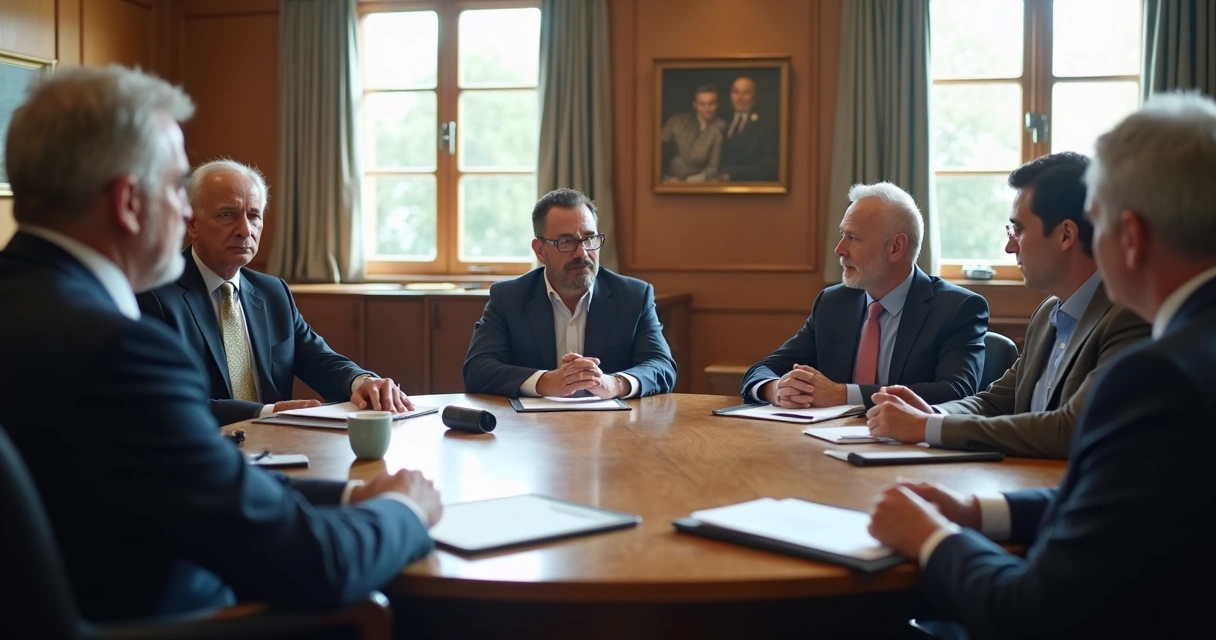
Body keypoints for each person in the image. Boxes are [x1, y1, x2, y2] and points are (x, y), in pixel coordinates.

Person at [0, 65, 441, 622]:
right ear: (128, 202)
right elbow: (313, 566)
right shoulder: (116, 352)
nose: (187, 212)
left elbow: (182, 484)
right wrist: (404, 508)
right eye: (177, 191)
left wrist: (351, 496)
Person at [868, 92, 1216, 638]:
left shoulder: (1158, 376)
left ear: (1131, 235)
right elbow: (1124, 497)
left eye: (1099, 224)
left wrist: (932, 537)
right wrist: (981, 512)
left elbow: (1034, 613)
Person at [865, 153, 1150, 458]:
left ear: (1066, 235)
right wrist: (932, 413)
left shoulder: (1129, 316)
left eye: (1020, 230)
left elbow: (1070, 428)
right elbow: (993, 402)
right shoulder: (1047, 313)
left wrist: (926, 427)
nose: (1009, 246)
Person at [138, 159, 411, 426]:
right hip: (199, 454)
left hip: (275, 452)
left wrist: (362, 381)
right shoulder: (155, 296)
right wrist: (268, 412)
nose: (245, 230)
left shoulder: (272, 292)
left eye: (254, 216)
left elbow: (321, 360)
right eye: (227, 215)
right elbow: (167, 402)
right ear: (192, 223)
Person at [742, 182, 988, 409]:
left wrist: (844, 394)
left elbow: (956, 392)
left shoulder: (958, 308)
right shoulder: (833, 304)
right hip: (826, 444)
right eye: (842, 235)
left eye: (853, 238)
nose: (839, 249)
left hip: (908, 449)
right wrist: (776, 389)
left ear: (895, 247)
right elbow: (763, 369)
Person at [463, 188, 676, 398]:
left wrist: (616, 384)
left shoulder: (633, 296)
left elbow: (661, 365)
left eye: (590, 239)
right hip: (533, 428)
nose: (582, 253)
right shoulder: (509, 297)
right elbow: (478, 369)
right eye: (566, 242)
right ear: (540, 250)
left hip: (613, 427)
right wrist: (544, 381)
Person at [661, 83, 727, 182]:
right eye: (702, 104)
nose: (707, 109)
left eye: (711, 104)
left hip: (697, 184)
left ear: (718, 104)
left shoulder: (721, 128)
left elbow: (713, 168)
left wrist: (687, 182)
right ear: (695, 105)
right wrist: (665, 178)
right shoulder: (677, 121)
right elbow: (658, 152)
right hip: (667, 180)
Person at [718, 75, 778, 182]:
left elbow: (769, 164)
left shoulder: (766, 123)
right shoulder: (723, 120)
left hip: (753, 188)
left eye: (746, 93)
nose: (739, 98)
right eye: (736, 92)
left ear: (755, 96)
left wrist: (732, 175)